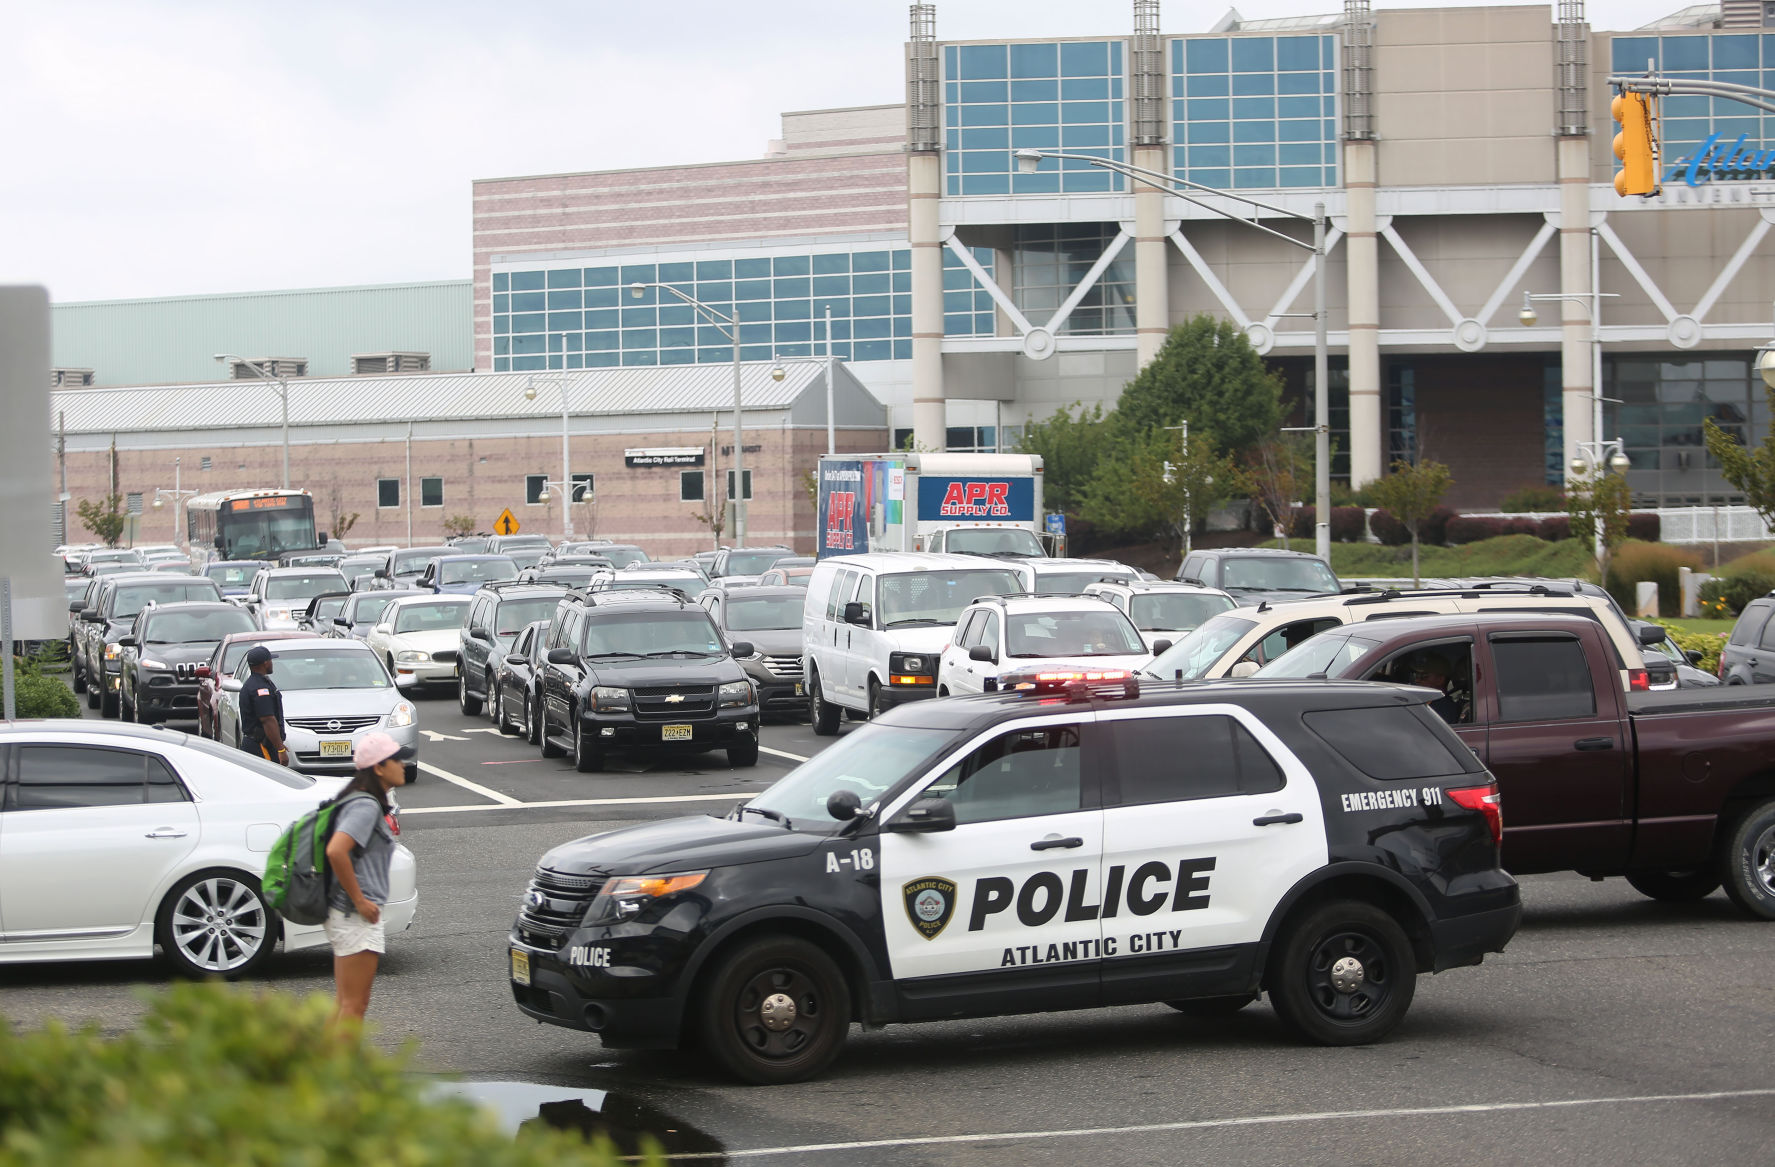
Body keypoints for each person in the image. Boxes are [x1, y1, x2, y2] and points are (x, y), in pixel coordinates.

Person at [324, 731, 412, 1028]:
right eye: (396, 760)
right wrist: (360, 900)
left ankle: (323, 1069)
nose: (403, 764)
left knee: (345, 1003)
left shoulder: (360, 800)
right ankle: (341, 1073)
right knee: (355, 1005)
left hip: (345, 913)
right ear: (378, 767)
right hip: (353, 915)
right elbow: (337, 851)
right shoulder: (365, 805)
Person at [238, 645, 289, 765]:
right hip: (260, 746)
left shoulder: (254, 683)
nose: (272, 663)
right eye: (271, 660)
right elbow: (268, 720)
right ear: (265, 663)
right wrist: (280, 749)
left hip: (261, 744)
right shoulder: (260, 688)